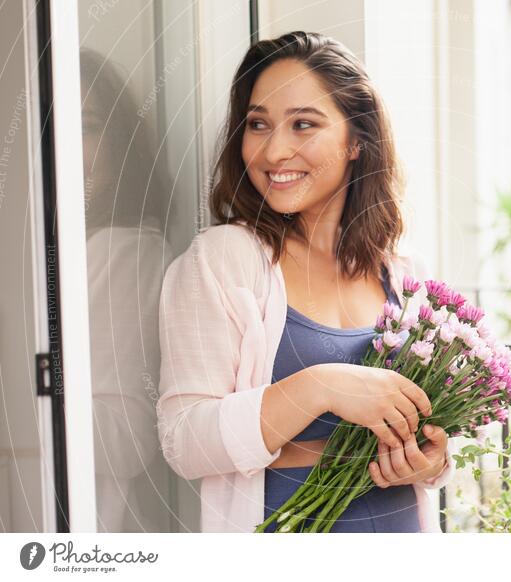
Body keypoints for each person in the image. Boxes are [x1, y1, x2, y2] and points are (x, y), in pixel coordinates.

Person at [156, 31, 455, 533]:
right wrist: (321, 387)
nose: (274, 151)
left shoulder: (404, 272)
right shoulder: (223, 260)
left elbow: (437, 448)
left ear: (357, 139)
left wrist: (431, 462)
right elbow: (183, 441)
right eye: (258, 124)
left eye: (303, 124)